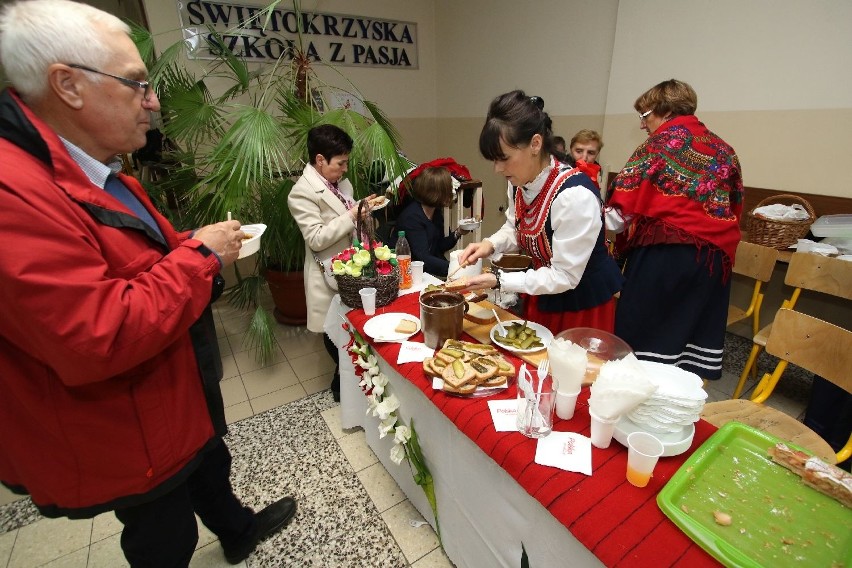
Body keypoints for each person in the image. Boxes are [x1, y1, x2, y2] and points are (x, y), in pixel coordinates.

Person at [0, 1, 296, 566]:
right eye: (136, 84)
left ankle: (236, 529)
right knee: (163, 535)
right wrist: (200, 256)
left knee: (212, 463)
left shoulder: (98, 167)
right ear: (68, 86)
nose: (154, 101)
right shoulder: (13, 194)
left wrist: (194, 246)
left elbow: (137, 256)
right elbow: (97, 333)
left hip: (172, 386)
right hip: (127, 421)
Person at [606, 79, 744, 380]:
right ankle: (672, 413)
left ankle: (633, 409)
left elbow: (619, 216)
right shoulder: (724, 150)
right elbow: (734, 206)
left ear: (664, 110)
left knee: (641, 348)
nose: (643, 125)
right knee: (685, 347)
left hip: (665, 258)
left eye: (645, 116)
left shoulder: (659, 144)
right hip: (712, 262)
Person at [456, 91, 623, 334]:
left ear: (535, 144)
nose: (497, 169)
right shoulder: (519, 183)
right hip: (542, 291)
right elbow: (517, 226)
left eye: (504, 158)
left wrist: (501, 280)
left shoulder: (574, 196)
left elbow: (565, 275)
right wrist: (489, 244)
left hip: (581, 305)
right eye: (494, 160)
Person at [287, 124, 376, 402]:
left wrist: (362, 209)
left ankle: (353, 384)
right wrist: (352, 216)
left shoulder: (341, 183)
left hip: (353, 267)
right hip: (328, 272)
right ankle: (342, 387)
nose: (345, 169)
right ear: (320, 160)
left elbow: (346, 211)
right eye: (341, 163)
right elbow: (315, 237)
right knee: (333, 334)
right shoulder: (301, 193)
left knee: (352, 328)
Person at [390, 166, 467, 277]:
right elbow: (423, 257)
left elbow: (439, 246)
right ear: (435, 192)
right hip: (407, 273)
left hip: (424, 272)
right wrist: (456, 268)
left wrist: (458, 232)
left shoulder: (435, 212)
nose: (451, 192)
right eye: (447, 189)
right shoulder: (412, 217)